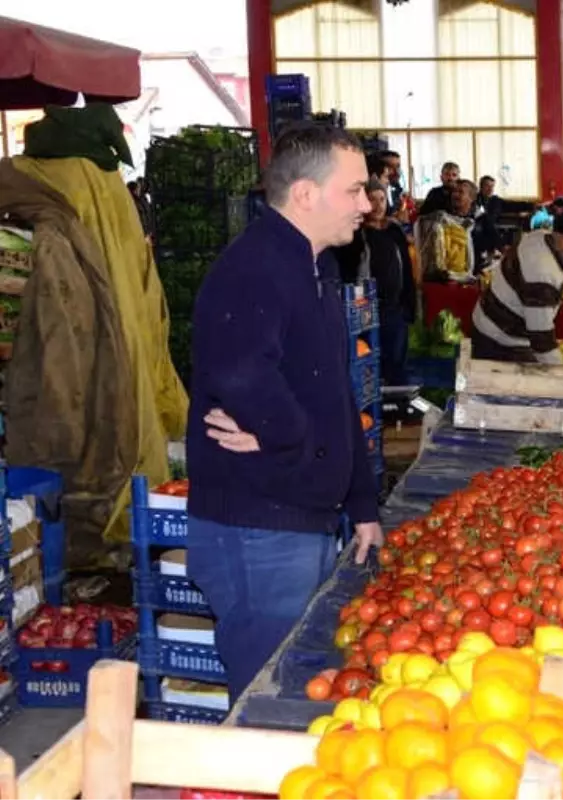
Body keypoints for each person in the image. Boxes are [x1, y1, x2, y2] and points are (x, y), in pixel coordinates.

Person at [185, 124, 383, 701]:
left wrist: (361, 500)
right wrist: (289, 437)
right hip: (257, 528)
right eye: (354, 191)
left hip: (299, 516)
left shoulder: (313, 267)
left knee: (299, 679)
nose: (367, 205)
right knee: (267, 694)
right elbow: (242, 373)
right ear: (304, 194)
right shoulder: (254, 268)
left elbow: (334, 391)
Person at [470, 208, 563, 364]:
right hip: (500, 341)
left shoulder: (540, 236)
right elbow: (541, 341)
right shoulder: (542, 274)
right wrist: (562, 375)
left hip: (490, 323)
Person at [334, 179, 417, 385]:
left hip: (394, 309)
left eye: (382, 199)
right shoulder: (354, 234)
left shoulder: (394, 231)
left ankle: (396, 408)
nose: (378, 205)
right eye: (372, 199)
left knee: (396, 364)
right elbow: (347, 272)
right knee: (369, 364)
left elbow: (406, 270)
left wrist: (410, 305)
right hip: (367, 310)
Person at [418, 179, 477, 281]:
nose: (455, 195)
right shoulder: (440, 220)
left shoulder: (479, 223)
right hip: (446, 280)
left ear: (471, 198)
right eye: (454, 191)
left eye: (460, 192)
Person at [472, 175, 504, 272]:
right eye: (487, 186)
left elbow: (513, 204)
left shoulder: (496, 200)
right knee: (484, 224)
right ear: (481, 187)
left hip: (490, 228)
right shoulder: (474, 199)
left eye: (492, 186)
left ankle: (495, 251)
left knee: (489, 223)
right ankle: (499, 248)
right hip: (476, 225)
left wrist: (532, 206)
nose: (490, 189)